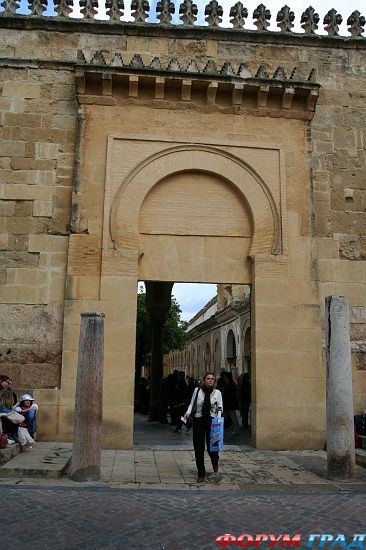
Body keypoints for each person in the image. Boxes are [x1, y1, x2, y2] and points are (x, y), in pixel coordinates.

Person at [184, 372, 223, 483]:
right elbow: (192, 404)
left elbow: (220, 407)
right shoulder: (197, 391)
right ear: (204, 380)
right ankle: (201, 473)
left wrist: (218, 420)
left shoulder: (217, 393)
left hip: (212, 421)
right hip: (198, 421)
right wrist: (188, 412)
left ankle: (215, 461)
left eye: (212, 379)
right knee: (199, 448)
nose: (210, 380)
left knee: (212, 448)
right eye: (208, 378)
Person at [0, 375, 19, 442]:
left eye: (9, 383)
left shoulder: (9, 391)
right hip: (3, 410)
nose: (7, 384)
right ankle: (7, 435)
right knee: (8, 417)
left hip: (5, 409)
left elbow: (10, 403)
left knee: (16, 416)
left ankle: (13, 435)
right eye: (6, 382)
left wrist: (10, 389)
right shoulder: (3, 390)